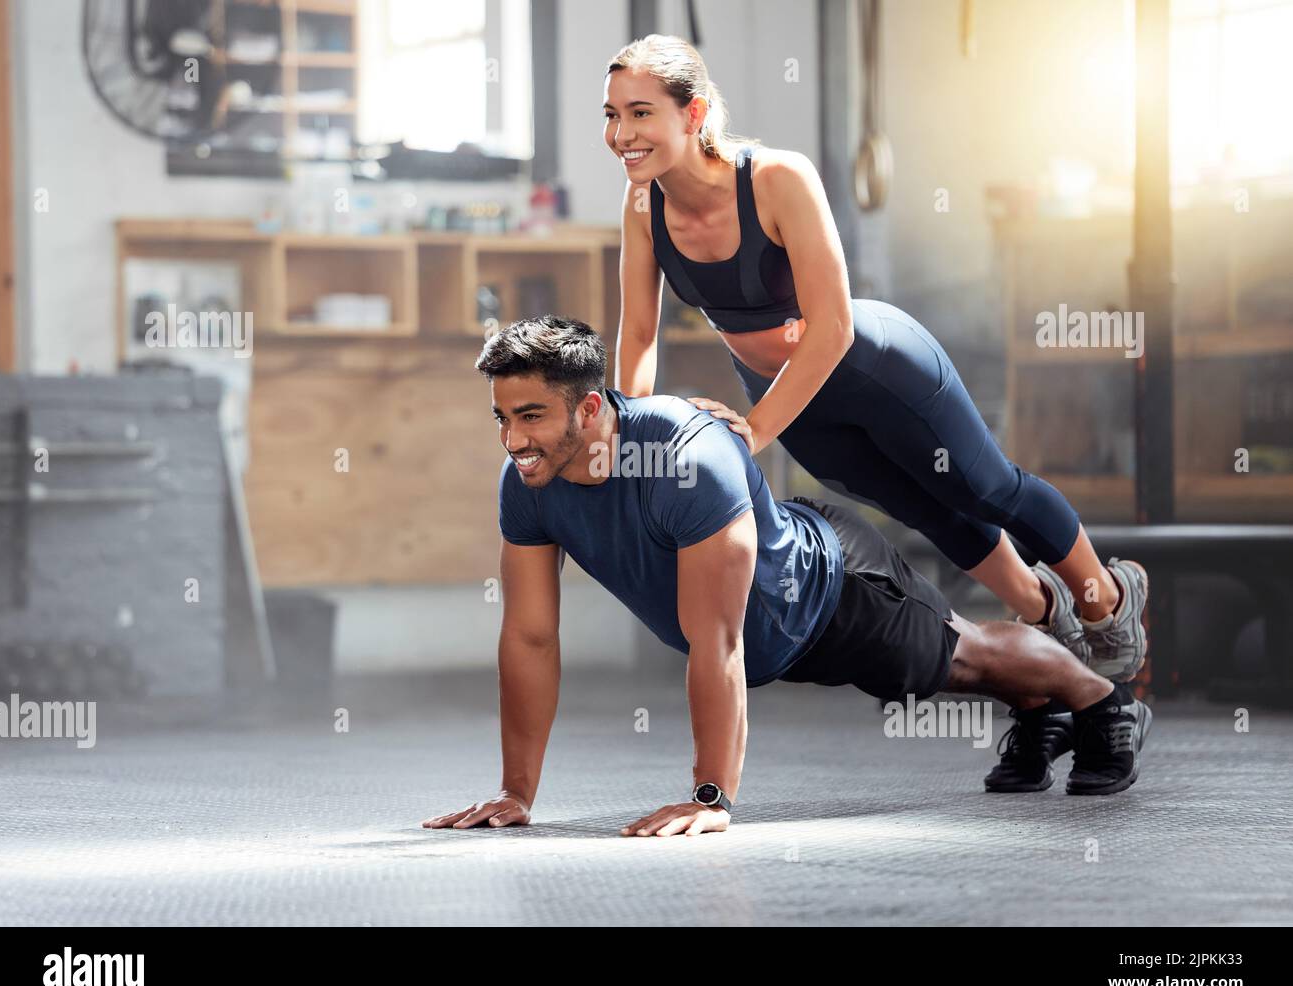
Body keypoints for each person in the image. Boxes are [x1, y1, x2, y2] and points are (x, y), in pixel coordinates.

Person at [422, 318, 1151, 839]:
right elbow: (529, 636)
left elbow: (719, 641)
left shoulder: (684, 458)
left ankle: (1099, 700)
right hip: (772, 628)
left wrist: (712, 795)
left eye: (529, 416)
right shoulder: (528, 481)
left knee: (964, 658)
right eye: (500, 418)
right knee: (962, 668)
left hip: (831, 590)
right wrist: (517, 792)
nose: (513, 439)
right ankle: (1040, 712)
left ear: (587, 407)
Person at [603, 34, 1149, 690]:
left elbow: (830, 327)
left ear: (691, 115)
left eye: (639, 112)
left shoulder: (777, 179)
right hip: (799, 402)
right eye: (611, 114)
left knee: (984, 488)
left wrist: (754, 429)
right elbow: (638, 333)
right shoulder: (643, 206)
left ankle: (1106, 600)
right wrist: (626, 438)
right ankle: (1043, 613)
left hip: (873, 367)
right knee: (927, 511)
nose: (621, 132)